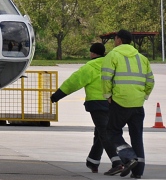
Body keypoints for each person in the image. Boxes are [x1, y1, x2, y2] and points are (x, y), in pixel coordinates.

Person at [50, 42, 119, 173]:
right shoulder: (111, 65)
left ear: (92, 53)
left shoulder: (90, 67)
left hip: (97, 104)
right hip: (112, 102)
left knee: (104, 133)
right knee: (100, 132)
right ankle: (93, 161)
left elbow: (73, 82)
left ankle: (117, 161)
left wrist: (57, 96)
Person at [101, 30, 154, 178]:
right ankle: (138, 172)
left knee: (112, 131)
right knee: (137, 136)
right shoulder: (142, 58)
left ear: (118, 40)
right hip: (137, 104)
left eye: (115, 38)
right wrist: (144, 96)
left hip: (120, 101)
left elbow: (106, 78)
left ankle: (129, 157)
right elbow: (150, 81)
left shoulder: (113, 55)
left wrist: (108, 96)